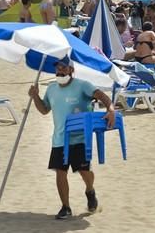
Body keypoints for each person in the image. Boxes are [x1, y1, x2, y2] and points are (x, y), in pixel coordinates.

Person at [28, 59, 116, 220]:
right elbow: (44, 110)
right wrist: (35, 97)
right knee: (60, 172)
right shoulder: (52, 89)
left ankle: (90, 190)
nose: (60, 71)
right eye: (57, 68)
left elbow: (102, 96)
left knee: (84, 171)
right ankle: (65, 207)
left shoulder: (83, 85)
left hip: (80, 139)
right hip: (59, 139)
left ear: (71, 70)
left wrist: (110, 110)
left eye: (63, 68)